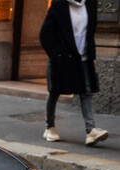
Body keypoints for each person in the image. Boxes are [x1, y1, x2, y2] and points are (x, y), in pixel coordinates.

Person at [39, 0, 108, 146]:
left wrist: (91, 55)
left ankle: (91, 130)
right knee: (55, 91)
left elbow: (90, 33)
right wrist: (56, 55)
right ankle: (49, 127)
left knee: (86, 92)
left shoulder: (89, 4)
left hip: (83, 57)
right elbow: (45, 33)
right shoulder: (59, 5)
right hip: (62, 57)